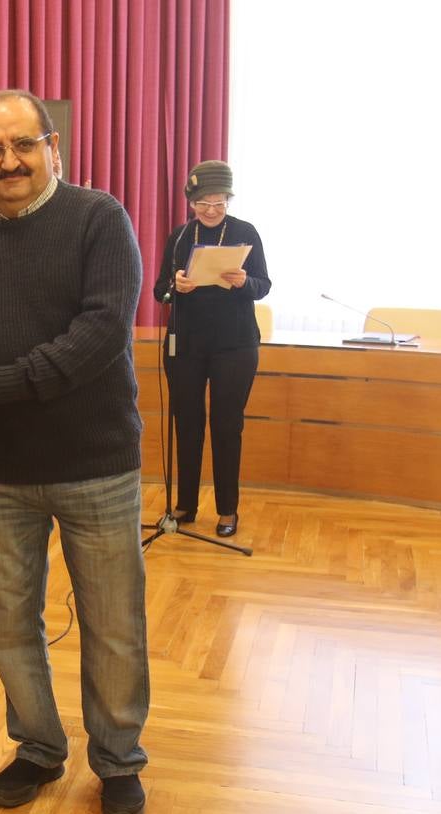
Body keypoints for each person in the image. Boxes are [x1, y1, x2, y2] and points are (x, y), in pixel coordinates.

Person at [0, 89, 150, 814]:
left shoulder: (99, 219)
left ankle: (117, 760)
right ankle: (38, 747)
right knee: (8, 626)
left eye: (22, 145)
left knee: (113, 626)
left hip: (98, 464)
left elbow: (100, 335)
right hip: (0, 471)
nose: (8, 161)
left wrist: (2, 384)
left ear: (53, 147)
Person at [153, 160, 271, 538]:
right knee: (187, 424)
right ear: (191, 201)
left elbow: (264, 284)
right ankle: (186, 504)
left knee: (226, 426)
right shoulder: (180, 237)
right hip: (185, 344)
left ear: (229, 201)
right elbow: (160, 291)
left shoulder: (244, 232)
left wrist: (242, 282)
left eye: (219, 202)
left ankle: (227, 509)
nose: (211, 210)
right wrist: (176, 285)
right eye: (204, 202)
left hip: (234, 345)